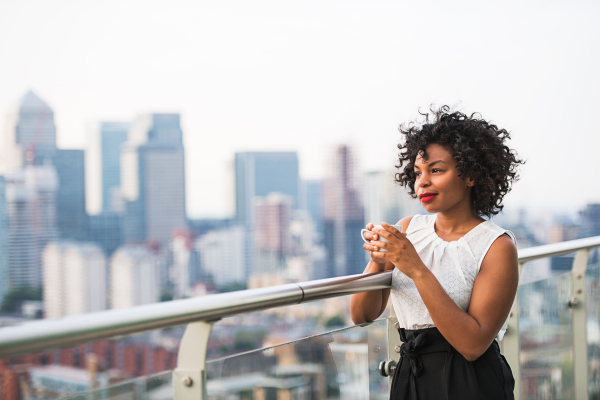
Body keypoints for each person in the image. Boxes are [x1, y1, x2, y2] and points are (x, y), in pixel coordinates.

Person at [350, 106, 524, 400]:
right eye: (418, 172)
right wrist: (378, 262)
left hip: (471, 383)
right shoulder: (407, 230)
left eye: (437, 170)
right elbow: (362, 315)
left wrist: (415, 268)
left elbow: (472, 345)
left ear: (470, 175)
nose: (423, 182)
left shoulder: (497, 246)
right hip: (410, 375)